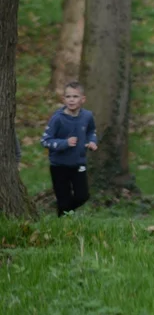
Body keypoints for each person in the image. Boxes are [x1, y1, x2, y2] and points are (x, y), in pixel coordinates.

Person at [40, 81, 98, 217]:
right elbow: (45, 141)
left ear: (83, 99)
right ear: (63, 99)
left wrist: (92, 142)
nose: (71, 100)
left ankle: (63, 214)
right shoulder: (58, 118)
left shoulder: (87, 116)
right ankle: (62, 221)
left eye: (75, 96)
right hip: (59, 166)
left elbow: (91, 131)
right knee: (63, 199)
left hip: (79, 163)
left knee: (83, 196)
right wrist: (64, 143)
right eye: (68, 96)